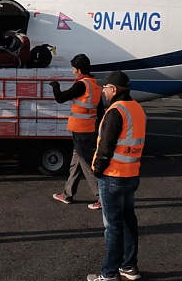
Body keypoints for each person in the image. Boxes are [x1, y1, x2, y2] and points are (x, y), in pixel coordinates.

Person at [88, 71, 146, 281]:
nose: (103, 91)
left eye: (105, 88)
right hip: (132, 173)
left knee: (112, 226)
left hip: (113, 175)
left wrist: (97, 170)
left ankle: (109, 273)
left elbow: (106, 146)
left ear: (113, 89)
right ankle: (129, 266)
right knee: (128, 220)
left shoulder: (115, 111)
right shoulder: (137, 108)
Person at [49, 53, 102, 209]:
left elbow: (61, 98)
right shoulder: (95, 85)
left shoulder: (81, 85)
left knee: (85, 163)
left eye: (73, 69)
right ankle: (67, 194)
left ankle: (101, 197)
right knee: (76, 163)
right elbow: (101, 111)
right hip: (89, 129)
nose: (73, 71)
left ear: (78, 70)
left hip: (81, 130)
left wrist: (55, 86)